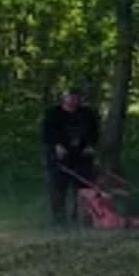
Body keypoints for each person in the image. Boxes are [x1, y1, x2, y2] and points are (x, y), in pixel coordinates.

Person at [41, 85, 101, 227]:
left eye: (76, 97)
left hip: (82, 156)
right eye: (70, 96)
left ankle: (82, 218)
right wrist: (56, 145)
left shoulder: (87, 113)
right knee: (58, 187)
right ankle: (59, 220)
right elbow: (46, 133)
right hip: (59, 157)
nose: (74, 99)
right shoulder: (52, 113)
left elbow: (94, 132)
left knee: (84, 188)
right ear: (63, 98)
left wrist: (91, 146)